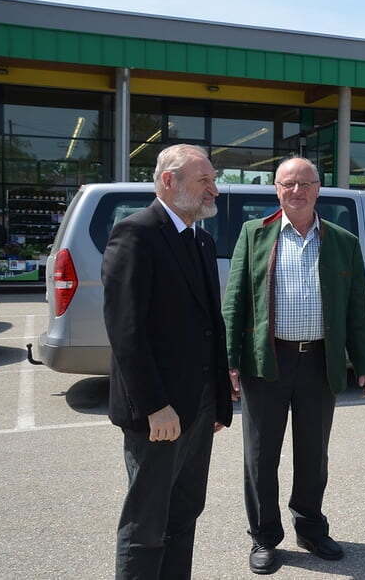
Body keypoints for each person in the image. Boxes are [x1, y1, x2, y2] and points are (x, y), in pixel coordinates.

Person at [223, 156, 365, 575]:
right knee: (260, 456)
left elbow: (356, 307)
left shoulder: (343, 240)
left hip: (318, 362)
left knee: (313, 455)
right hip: (266, 362)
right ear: (276, 189)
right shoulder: (254, 234)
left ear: (318, 188)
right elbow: (235, 301)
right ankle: (264, 537)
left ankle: (310, 528)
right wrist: (230, 360)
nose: (296, 191)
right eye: (288, 184)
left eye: (304, 183)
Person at [103, 144, 235, 580]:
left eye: (213, 180)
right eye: (204, 181)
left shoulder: (200, 238)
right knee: (147, 520)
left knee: (185, 510)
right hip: (159, 412)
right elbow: (127, 333)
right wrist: (154, 405)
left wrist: (216, 399)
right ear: (168, 181)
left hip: (196, 408)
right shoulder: (136, 233)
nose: (214, 189)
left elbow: (209, 324)